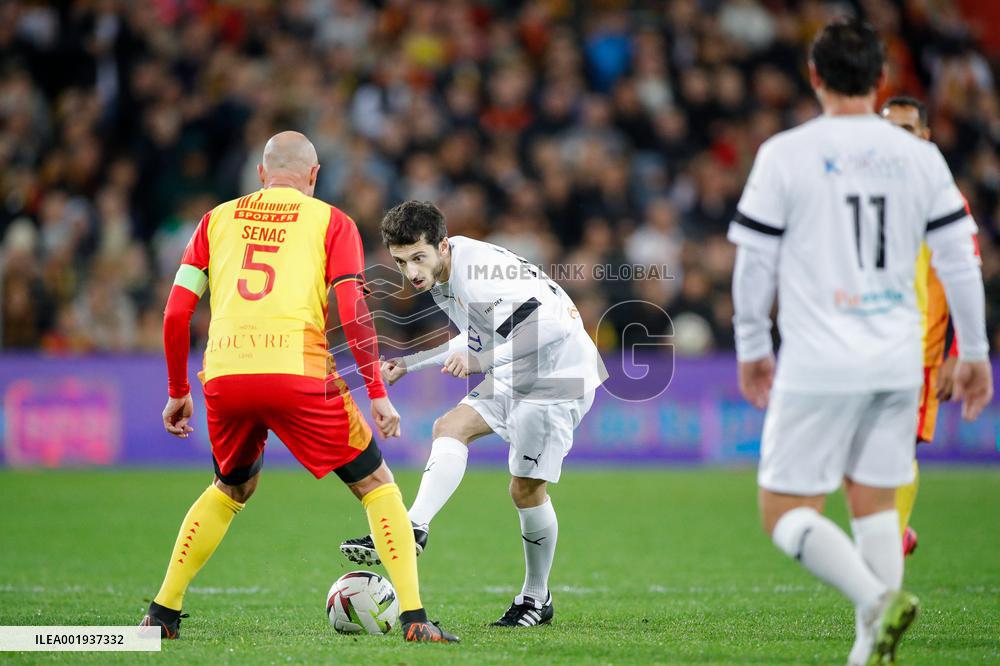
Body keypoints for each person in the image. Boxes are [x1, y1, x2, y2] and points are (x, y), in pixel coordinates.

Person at [729, 20, 991, 665]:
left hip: (820, 358)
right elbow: (960, 259)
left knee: (782, 511)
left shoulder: (786, 153)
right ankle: (869, 651)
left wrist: (752, 344)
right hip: (899, 361)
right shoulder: (920, 156)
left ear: (814, 77)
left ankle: (875, 602)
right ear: (880, 81)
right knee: (875, 506)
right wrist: (977, 351)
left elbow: (754, 264)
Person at [141, 132, 458, 643]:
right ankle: (415, 620)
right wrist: (376, 392)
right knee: (377, 486)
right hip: (298, 372)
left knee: (230, 488)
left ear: (262, 175)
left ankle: (162, 613)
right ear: (313, 177)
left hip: (224, 374)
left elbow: (177, 312)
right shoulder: (332, 222)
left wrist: (179, 388)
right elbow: (352, 311)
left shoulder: (215, 220)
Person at [340, 200, 607, 627]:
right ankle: (414, 527)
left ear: (442, 246)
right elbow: (477, 336)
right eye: (401, 261)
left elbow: (554, 326)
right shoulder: (447, 271)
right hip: (520, 368)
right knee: (449, 427)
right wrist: (409, 363)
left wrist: (483, 362)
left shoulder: (477, 274)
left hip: (559, 375)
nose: (411, 271)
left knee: (525, 490)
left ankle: (536, 598)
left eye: (418, 257)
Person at [880, 95, 960, 557]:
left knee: (897, 448)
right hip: (868, 343)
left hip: (921, 350)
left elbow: (964, 274)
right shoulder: (866, 195)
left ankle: (890, 541)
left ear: (925, 137)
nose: (896, 140)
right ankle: (896, 531)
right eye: (888, 128)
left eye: (906, 129)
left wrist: (960, 352)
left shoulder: (940, 196)